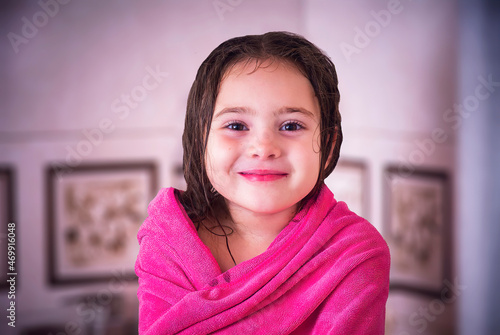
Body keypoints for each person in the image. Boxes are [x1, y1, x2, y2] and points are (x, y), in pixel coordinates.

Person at [135, 31, 390, 334]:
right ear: (199, 140)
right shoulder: (167, 240)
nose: (264, 147)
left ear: (329, 145)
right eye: (236, 125)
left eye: (291, 125)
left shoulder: (355, 254)